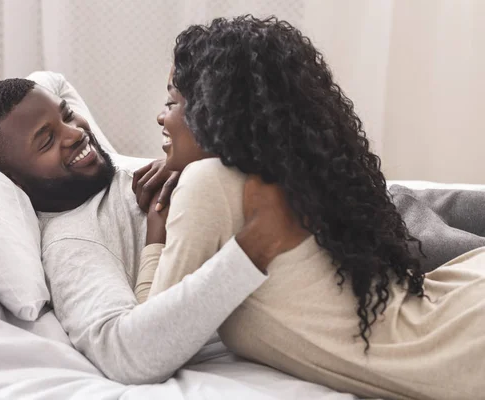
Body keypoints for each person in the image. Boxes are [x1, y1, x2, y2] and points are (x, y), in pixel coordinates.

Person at [137, 16, 485, 400]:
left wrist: (155, 237)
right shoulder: (291, 175)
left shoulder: (207, 183)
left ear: (211, 111)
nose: (161, 116)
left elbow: (147, 348)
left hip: (463, 338)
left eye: (172, 101)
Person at [0, 71, 299, 385]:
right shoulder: (74, 241)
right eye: (46, 141)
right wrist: (251, 246)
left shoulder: (133, 173)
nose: (75, 133)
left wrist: (192, 161)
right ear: (12, 179)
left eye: (65, 115)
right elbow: (128, 355)